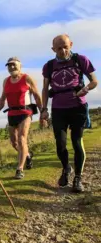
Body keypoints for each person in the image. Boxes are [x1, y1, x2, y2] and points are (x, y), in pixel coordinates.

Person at [40, 34, 98, 193]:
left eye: (65, 46)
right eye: (59, 48)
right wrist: (43, 109)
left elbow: (94, 81)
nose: (63, 50)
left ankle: (78, 178)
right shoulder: (49, 66)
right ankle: (66, 168)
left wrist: (85, 89)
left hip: (78, 107)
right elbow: (45, 89)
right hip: (58, 109)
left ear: (71, 44)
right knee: (60, 144)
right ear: (53, 49)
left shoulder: (81, 60)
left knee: (77, 142)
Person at [0, 57, 43, 179]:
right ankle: (28, 155)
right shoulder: (6, 81)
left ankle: (19, 169)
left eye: (13, 65)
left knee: (21, 139)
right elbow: (2, 98)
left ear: (20, 66)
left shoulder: (27, 78)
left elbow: (36, 95)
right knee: (14, 142)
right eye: (9, 65)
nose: (11, 67)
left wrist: (43, 112)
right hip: (12, 114)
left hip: (25, 111)